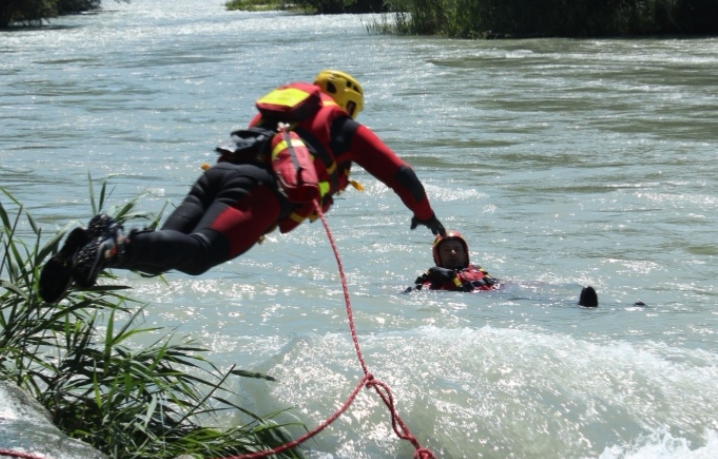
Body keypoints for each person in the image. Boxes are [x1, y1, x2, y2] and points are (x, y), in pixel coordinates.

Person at [40, 70, 446, 304]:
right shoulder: (341, 125)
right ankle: (112, 245)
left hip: (215, 177)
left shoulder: (279, 113)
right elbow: (401, 174)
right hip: (259, 192)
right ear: (349, 103)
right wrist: (426, 216)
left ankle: (100, 241)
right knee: (200, 254)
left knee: (163, 256)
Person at [407, 230, 500, 292]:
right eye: (447, 250)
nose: (453, 253)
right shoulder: (434, 280)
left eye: (457, 249)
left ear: (465, 254)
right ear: (437, 256)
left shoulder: (478, 271)